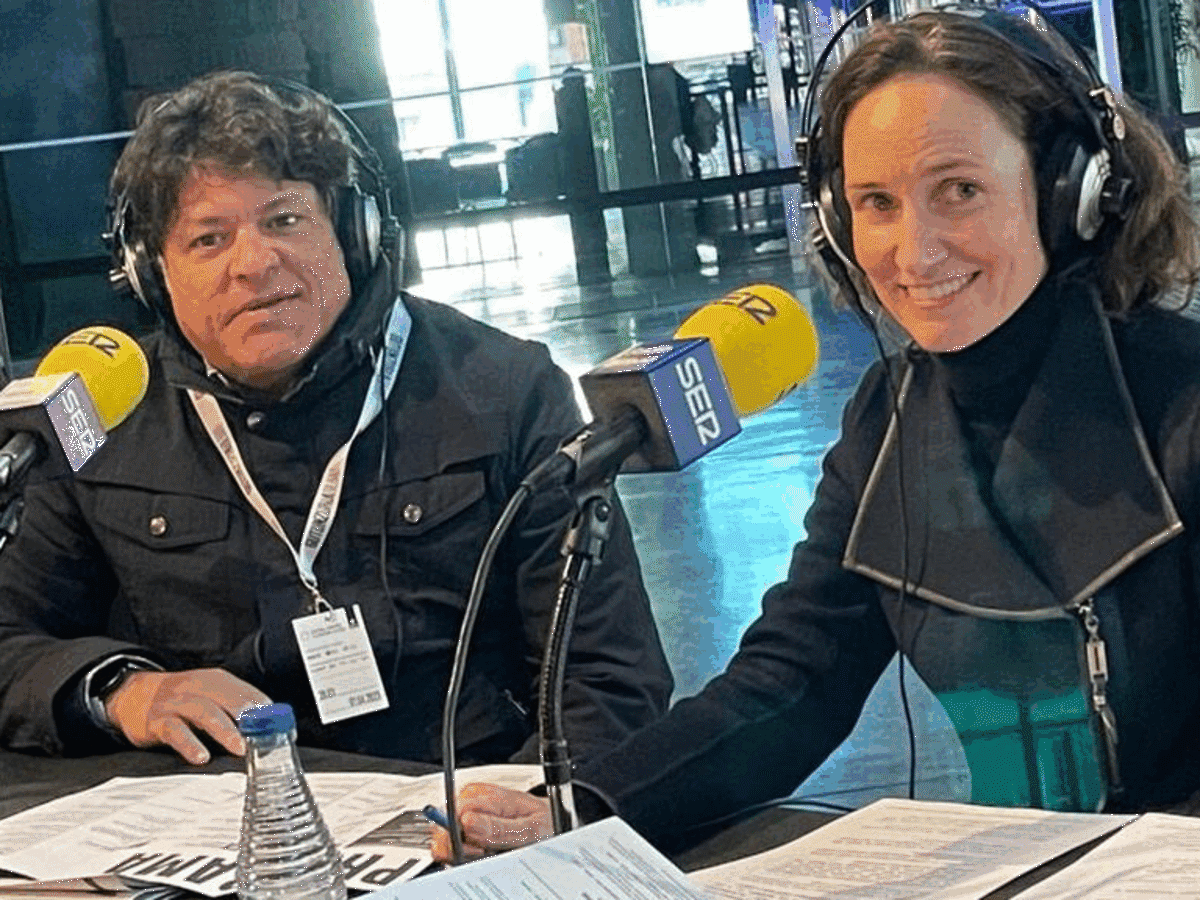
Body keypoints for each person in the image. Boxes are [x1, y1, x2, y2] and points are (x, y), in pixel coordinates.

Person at [431, 7, 1200, 859]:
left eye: (960, 190)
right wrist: (581, 811)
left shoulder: (1185, 404)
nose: (915, 250)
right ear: (836, 220)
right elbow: (791, 684)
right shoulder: (887, 421)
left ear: (1072, 191)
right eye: (877, 203)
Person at [0, 71, 673, 768]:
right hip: (219, 805)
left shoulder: (504, 388)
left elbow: (608, 673)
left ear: (355, 232)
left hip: (461, 794)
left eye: (285, 220)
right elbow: (7, 639)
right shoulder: (98, 419)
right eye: (209, 240)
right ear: (151, 274)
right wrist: (119, 691)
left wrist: (538, 799)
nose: (255, 262)